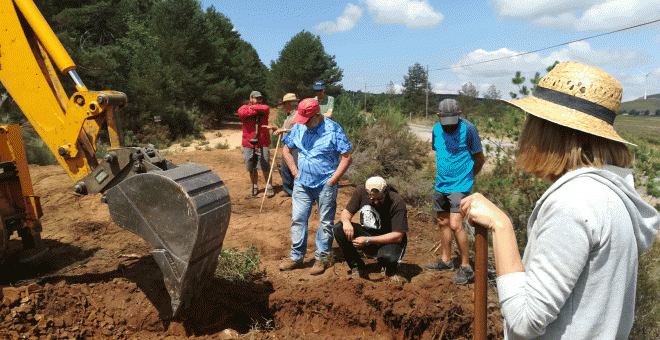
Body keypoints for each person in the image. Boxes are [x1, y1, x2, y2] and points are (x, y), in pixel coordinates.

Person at [460, 62, 660, 339]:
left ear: (548, 130)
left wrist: (501, 225)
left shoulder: (573, 202)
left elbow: (525, 321)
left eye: (532, 121)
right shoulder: (614, 196)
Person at [279, 98, 353, 275]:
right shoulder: (299, 127)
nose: (303, 124)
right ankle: (296, 257)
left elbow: (347, 157)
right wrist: (295, 173)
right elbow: (286, 150)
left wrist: (332, 180)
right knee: (298, 218)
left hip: (325, 184)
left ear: (317, 115)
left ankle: (322, 258)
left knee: (325, 222)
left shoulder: (333, 129)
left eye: (307, 120)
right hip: (302, 183)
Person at [424, 99, 485, 286]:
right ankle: (446, 261)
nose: (449, 126)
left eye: (453, 120)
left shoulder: (469, 129)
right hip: (440, 185)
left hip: (459, 187)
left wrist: (468, 178)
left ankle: (466, 267)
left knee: (456, 224)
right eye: (445, 121)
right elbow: (439, 152)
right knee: (442, 221)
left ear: (459, 114)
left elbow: (480, 158)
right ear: (438, 117)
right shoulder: (436, 129)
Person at [332, 176, 408, 284]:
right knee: (339, 228)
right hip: (368, 235)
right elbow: (345, 214)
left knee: (387, 258)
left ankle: (391, 270)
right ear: (367, 193)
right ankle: (357, 267)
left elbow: (398, 236)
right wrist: (346, 222)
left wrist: (367, 240)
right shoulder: (360, 191)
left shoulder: (397, 201)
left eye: (380, 198)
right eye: (372, 199)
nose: (376, 202)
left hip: (389, 240)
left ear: (385, 192)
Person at [237, 91, 277, 199]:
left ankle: (269, 185)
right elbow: (241, 113)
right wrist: (253, 110)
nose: (258, 100)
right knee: (250, 164)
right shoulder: (244, 107)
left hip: (263, 141)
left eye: (260, 98)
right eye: (256, 98)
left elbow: (265, 108)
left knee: (265, 163)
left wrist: (252, 109)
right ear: (250, 98)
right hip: (248, 142)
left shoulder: (264, 107)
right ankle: (254, 185)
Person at [274, 93, 300, 196]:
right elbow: (285, 129)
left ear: (291, 103)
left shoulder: (297, 115)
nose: (284, 106)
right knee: (284, 168)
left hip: (295, 147)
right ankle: (289, 191)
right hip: (287, 146)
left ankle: (298, 192)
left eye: (285, 104)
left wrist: (283, 129)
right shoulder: (289, 116)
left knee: (294, 168)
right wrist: (277, 129)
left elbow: (298, 129)